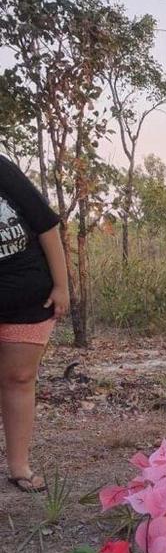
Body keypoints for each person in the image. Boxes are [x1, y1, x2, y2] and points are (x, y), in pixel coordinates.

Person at [0, 155, 69, 492]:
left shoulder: (1, 169)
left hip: (28, 293)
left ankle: (18, 466)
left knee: (20, 377)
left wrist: (62, 285)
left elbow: (46, 225)